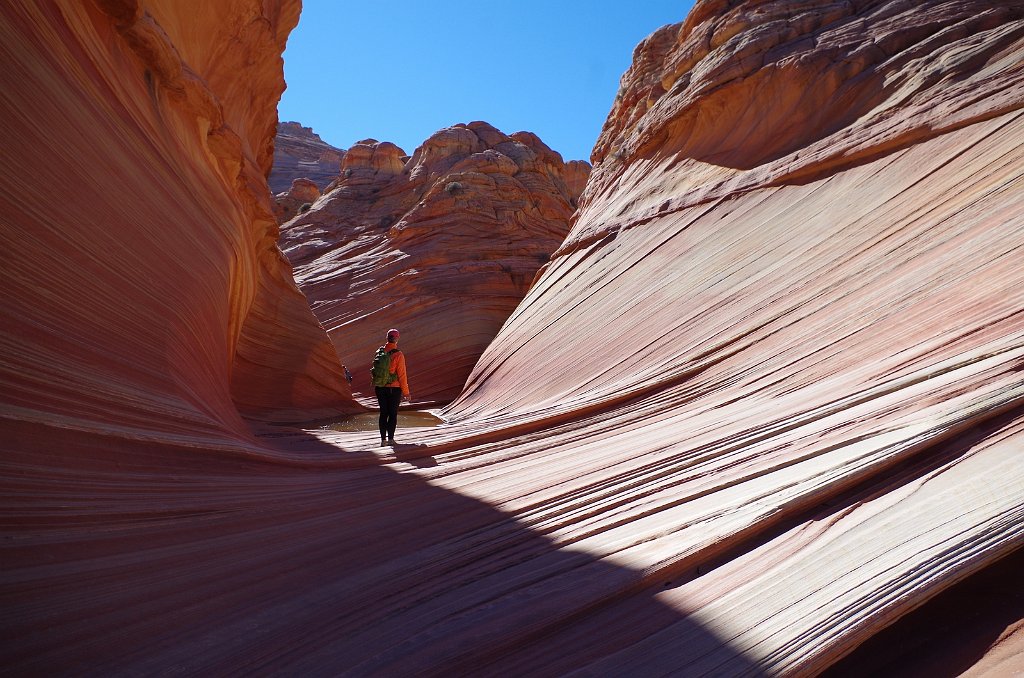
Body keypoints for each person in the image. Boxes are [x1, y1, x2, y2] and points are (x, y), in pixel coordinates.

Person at [374, 328, 410, 446]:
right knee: (392, 414)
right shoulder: (398, 355)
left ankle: (383, 440)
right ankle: (391, 439)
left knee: (383, 413)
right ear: (397, 339)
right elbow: (402, 375)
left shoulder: (380, 352)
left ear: (387, 338)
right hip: (393, 388)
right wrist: (406, 393)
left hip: (380, 387)